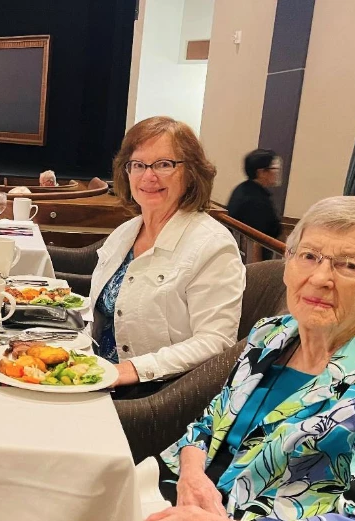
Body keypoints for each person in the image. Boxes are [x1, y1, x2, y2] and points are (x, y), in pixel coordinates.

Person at [153, 196, 355, 521]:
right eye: (308, 256)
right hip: (181, 494)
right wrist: (192, 475)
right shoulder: (271, 334)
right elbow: (209, 424)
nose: (319, 278)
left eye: (349, 265)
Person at [90, 116, 245, 390]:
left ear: (191, 173)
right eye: (138, 165)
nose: (149, 176)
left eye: (164, 164)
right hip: (99, 375)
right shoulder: (126, 232)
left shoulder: (212, 245)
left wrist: (130, 370)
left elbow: (216, 341)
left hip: (154, 395)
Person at [227, 149, 282, 248]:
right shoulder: (255, 201)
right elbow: (256, 241)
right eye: (274, 168)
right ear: (261, 172)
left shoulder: (243, 188)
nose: (277, 172)